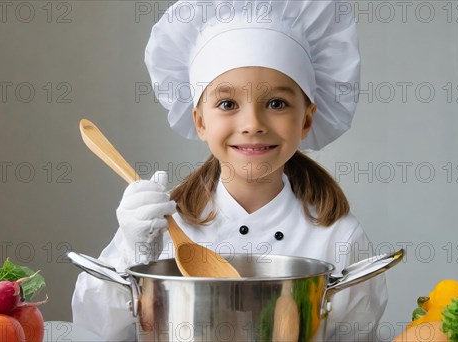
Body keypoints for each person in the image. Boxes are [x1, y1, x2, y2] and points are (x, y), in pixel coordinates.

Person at [72, 1, 387, 341]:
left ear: (307, 119)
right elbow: (95, 331)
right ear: (200, 120)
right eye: (227, 104)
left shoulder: (339, 238)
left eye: (277, 104)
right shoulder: (160, 228)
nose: (252, 124)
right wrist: (132, 254)